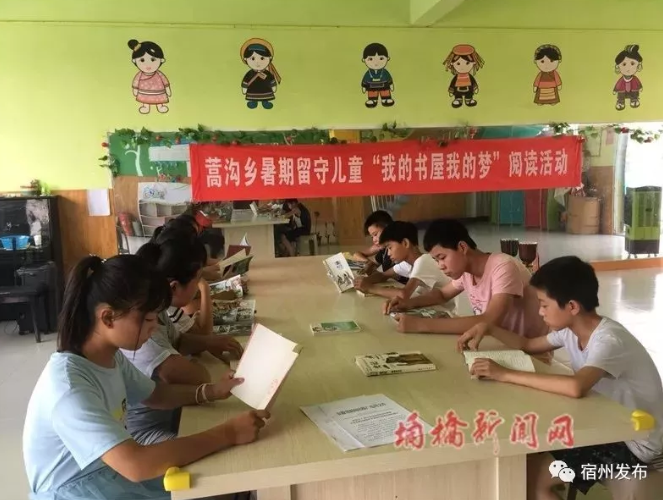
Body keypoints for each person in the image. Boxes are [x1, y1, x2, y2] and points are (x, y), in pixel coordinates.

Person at [23, 255, 269, 500]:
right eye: (149, 319)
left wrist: (211, 391)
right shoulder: (69, 389)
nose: (154, 328)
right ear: (108, 318)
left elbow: (155, 394)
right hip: (77, 490)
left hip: (110, 473)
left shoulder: (109, 356)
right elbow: (135, 465)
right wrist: (229, 433)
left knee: (219, 478)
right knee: (217, 484)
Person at [456, 256, 663, 499]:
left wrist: (504, 373)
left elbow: (576, 387)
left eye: (544, 305)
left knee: (531, 478)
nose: (540, 312)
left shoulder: (608, 340)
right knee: (527, 460)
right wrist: (489, 327)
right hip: (610, 424)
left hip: (636, 442)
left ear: (572, 307)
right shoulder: (570, 331)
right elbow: (527, 344)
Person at [123, 237, 243, 445]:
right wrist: (208, 383)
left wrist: (210, 342)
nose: (200, 285)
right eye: (198, 279)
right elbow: (198, 377)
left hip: (175, 412)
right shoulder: (143, 336)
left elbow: (179, 341)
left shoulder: (156, 312)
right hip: (149, 433)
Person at [385, 219, 548, 341]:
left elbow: (488, 321)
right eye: (436, 260)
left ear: (462, 247)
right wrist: (408, 303)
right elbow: (442, 294)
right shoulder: (465, 272)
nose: (441, 266)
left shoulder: (503, 267)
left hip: (528, 356)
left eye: (442, 257)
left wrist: (420, 324)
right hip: (494, 345)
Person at [356, 221, 457, 314]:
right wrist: (364, 280)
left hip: (449, 311)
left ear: (405, 243)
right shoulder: (407, 264)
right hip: (434, 307)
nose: (389, 253)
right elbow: (383, 275)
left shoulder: (423, 261)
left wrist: (370, 288)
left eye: (390, 247)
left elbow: (403, 294)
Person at [352, 210, 407, 284]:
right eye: (372, 237)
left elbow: (386, 276)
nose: (374, 240)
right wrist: (369, 264)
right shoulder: (384, 250)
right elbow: (358, 256)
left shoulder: (401, 250)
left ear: (388, 228)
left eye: (375, 234)